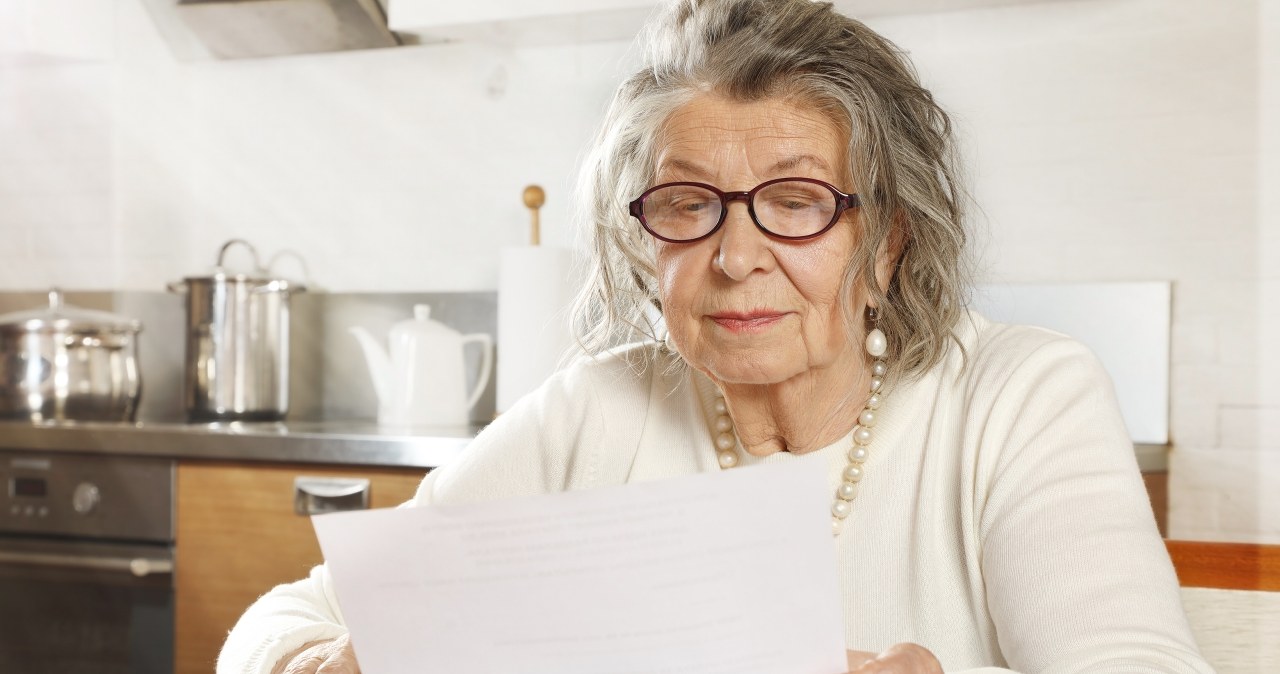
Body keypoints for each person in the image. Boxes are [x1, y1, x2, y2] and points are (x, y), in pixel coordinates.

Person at [219, 1, 1213, 672]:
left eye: (794, 202)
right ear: (643, 236)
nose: (736, 255)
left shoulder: (1015, 397)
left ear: (885, 240)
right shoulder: (598, 409)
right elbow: (281, 622)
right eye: (687, 204)